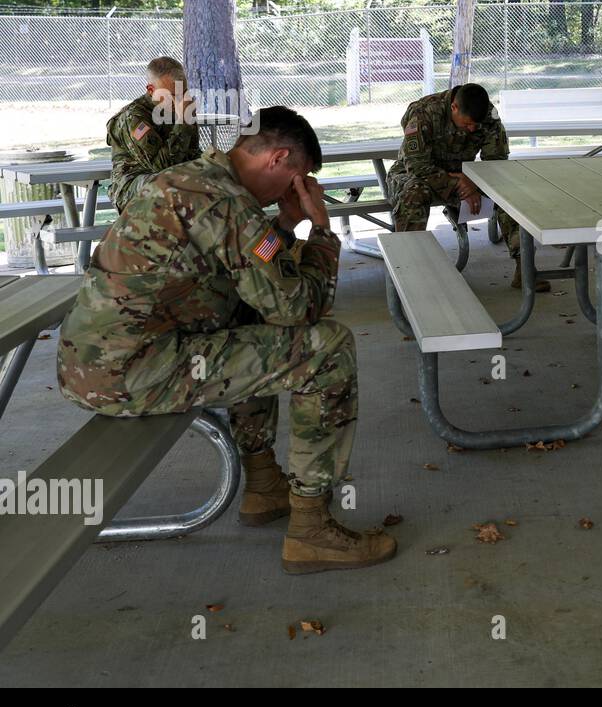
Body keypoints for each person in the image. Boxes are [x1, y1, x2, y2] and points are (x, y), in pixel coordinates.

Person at [58, 106, 396, 574]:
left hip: (101, 362)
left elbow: (258, 275)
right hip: (131, 371)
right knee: (326, 349)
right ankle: (312, 530)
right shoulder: (227, 203)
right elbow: (299, 308)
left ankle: (263, 485)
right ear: (278, 159)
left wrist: (283, 225)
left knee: (249, 318)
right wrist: (320, 230)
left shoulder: (197, 179)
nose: (296, 190)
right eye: (299, 179)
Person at [386, 83, 548, 290]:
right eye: (468, 124)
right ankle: (407, 273)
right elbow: (416, 165)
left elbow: (496, 162)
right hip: (415, 174)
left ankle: (525, 270)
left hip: (466, 175)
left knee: (508, 193)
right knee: (414, 194)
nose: (472, 129)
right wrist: (458, 182)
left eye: (475, 125)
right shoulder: (424, 112)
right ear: (454, 107)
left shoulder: (488, 115)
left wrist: (472, 181)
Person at [105, 56, 201, 211]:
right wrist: (184, 122)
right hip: (132, 185)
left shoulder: (180, 107)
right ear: (151, 90)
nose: (179, 99)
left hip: (173, 179)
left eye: (182, 92)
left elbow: (193, 153)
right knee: (167, 182)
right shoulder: (134, 118)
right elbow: (161, 167)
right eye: (172, 94)